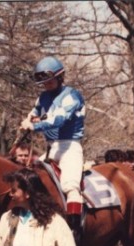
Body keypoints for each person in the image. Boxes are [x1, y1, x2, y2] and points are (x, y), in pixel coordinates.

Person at [20, 56, 85, 236]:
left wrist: (35, 126)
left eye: (49, 81)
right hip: (50, 148)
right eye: (43, 82)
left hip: (69, 147)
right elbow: (33, 113)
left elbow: (58, 120)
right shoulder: (42, 97)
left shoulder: (72, 95)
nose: (46, 85)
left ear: (59, 77)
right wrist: (28, 119)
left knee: (70, 186)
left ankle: (75, 229)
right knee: (28, 181)